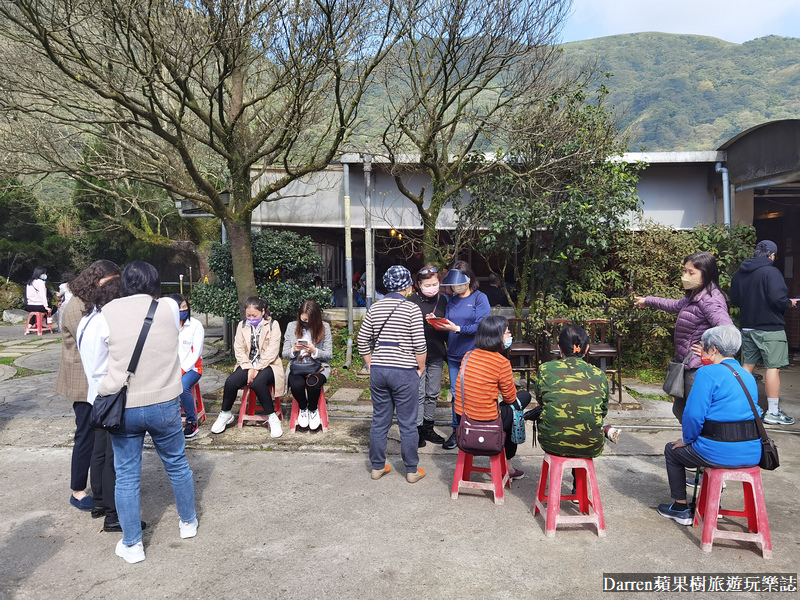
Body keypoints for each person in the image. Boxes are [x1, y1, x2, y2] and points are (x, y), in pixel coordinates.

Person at [96, 261, 197, 563]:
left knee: (126, 474)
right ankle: (188, 523)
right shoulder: (167, 306)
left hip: (125, 405)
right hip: (165, 401)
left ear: (124, 283)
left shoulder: (106, 314)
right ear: (155, 282)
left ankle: (133, 545)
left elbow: (99, 363)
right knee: (177, 464)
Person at [657, 325, 762, 526]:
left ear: (713, 350)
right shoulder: (748, 376)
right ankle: (714, 505)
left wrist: (687, 440)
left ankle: (680, 508)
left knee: (672, 451)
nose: (702, 351)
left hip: (716, 452)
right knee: (712, 444)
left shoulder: (707, 373)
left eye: (703, 347)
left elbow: (693, 415)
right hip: (752, 452)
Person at [75, 261, 142, 534]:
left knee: (100, 452)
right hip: (113, 394)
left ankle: (101, 501)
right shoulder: (108, 322)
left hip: (95, 395)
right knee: (117, 458)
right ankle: (115, 516)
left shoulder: (87, 319)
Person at [634, 251, 732, 422]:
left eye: (691, 272)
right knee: (681, 410)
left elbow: (727, 330)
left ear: (706, 273)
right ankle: (692, 442)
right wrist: (647, 300)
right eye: (685, 271)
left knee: (694, 414)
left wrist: (708, 348)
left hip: (698, 368)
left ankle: (696, 445)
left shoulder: (710, 299)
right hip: (688, 364)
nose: (685, 276)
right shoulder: (695, 295)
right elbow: (674, 305)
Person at [55, 260, 120, 514]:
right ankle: (78, 490)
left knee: (97, 436)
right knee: (85, 434)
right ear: (97, 279)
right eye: (110, 282)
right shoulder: (78, 306)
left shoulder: (88, 300)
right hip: (82, 379)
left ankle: (102, 487)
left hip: (90, 377)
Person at [357, 265, 427, 483]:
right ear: (407, 286)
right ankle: (411, 470)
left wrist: (371, 364)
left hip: (379, 370)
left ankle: (377, 467)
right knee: (407, 422)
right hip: (404, 371)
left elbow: (362, 340)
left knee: (380, 420)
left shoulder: (375, 308)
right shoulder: (412, 309)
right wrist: (421, 368)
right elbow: (420, 345)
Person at [454, 316, 531, 477]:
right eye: (507, 333)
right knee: (521, 401)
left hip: (464, 417)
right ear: (496, 337)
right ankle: (508, 466)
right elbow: (510, 398)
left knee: (511, 411)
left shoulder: (468, 356)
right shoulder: (501, 362)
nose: (509, 336)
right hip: (486, 420)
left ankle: (508, 465)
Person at [730, 240, 796, 426]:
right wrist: (788, 303)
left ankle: (741, 406)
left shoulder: (740, 274)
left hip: (748, 327)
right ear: (771, 255)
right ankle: (773, 412)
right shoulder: (771, 272)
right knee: (772, 368)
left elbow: (735, 300)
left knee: (747, 366)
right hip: (770, 329)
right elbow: (777, 298)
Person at [211, 297, 286, 437]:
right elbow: (238, 348)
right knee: (231, 382)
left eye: (254, 315)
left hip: (268, 364)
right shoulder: (242, 325)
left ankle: (272, 417)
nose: (251, 318)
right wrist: (249, 367)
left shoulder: (273, 325)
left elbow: (272, 351)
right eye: (248, 315)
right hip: (247, 363)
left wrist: (257, 368)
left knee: (258, 383)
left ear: (263, 311)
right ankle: (225, 414)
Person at [534, 324, 609, 462]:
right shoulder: (599, 374)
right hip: (591, 444)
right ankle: (579, 482)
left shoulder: (545, 369)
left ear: (559, 347)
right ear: (586, 348)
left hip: (552, 443)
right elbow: (603, 411)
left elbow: (541, 400)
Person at [438, 261, 490, 449]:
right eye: (452, 284)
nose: (455, 287)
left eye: (458, 283)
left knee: (475, 392)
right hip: (453, 354)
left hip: (475, 355)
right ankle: (457, 430)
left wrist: (458, 328)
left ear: (468, 280)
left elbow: (482, 325)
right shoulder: (451, 300)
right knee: (456, 394)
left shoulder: (479, 298)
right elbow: (448, 324)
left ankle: (477, 428)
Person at [407, 265, 448, 447]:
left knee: (433, 392)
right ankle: (416, 429)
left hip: (437, 352)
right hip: (416, 355)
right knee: (419, 393)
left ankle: (428, 426)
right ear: (419, 284)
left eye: (435, 283)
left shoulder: (443, 300)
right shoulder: (411, 302)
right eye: (428, 284)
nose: (432, 286)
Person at [282, 299, 333, 430]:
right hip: (297, 366)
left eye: (309, 321)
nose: (306, 323)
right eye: (303, 320)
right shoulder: (292, 326)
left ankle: (313, 409)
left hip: (318, 366)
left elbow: (329, 355)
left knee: (313, 384)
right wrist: (294, 350)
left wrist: (314, 351)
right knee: (296, 385)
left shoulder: (324, 327)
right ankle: (303, 408)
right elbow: (285, 353)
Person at [168, 293, 205, 438]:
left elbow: (196, 353)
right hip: (170, 368)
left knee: (183, 386)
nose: (183, 310)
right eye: (179, 308)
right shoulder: (167, 326)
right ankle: (165, 420)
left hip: (192, 369)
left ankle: (191, 422)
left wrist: (182, 370)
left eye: (185, 307)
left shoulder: (195, 325)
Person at [24, 266, 56, 331]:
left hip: (29, 306)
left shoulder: (29, 282)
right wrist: (46, 306)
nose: (45, 275)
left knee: (37, 311)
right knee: (54, 308)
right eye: (44, 273)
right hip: (39, 305)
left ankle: (30, 325)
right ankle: (43, 321)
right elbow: (43, 296)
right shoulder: (40, 282)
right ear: (40, 274)